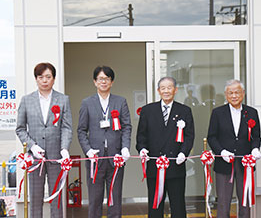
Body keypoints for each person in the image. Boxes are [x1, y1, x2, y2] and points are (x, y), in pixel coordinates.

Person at [16, 62, 72, 218]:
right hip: (35, 159)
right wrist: (32, 146)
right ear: (36, 79)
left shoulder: (63, 100)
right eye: (41, 77)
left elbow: (66, 127)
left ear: (54, 79)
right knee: (35, 198)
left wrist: (64, 148)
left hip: (57, 157)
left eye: (48, 77)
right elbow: (20, 128)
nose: (45, 80)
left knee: (57, 198)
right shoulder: (27, 100)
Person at [77, 66, 132, 218]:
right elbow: (81, 130)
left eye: (107, 79)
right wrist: (88, 151)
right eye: (100, 79)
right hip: (95, 158)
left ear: (112, 82)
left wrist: (125, 148)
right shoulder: (87, 103)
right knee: (95, 200)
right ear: (95, 82)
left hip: (116, 158)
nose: (104, 82)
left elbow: (127, 126)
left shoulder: (120, 102)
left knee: (115, 198)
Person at [136, 77, 195, 218]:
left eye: (169, 88)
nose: (166, 91)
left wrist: (183, 153)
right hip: (154, 167)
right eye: (163, 88)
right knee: (155, 205)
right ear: (158, 91)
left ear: (175, 90)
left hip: (176, 166)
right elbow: (141, 136)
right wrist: (142, 149)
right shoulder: (147, 110)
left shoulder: (184, 110)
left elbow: (189, 136)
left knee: (178, 206)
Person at [207, 79, 261, 218]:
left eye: (237, 92)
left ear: (243, 93)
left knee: (245, 202)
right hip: (224, 164)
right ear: (226, 95)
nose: (234, 96)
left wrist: (255, 149)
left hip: (245, 164)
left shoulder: (252, 112)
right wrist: (221, 152)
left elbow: (256, 137)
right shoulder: (218, 113)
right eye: (230, 93)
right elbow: (212, 137)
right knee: (223, 202)